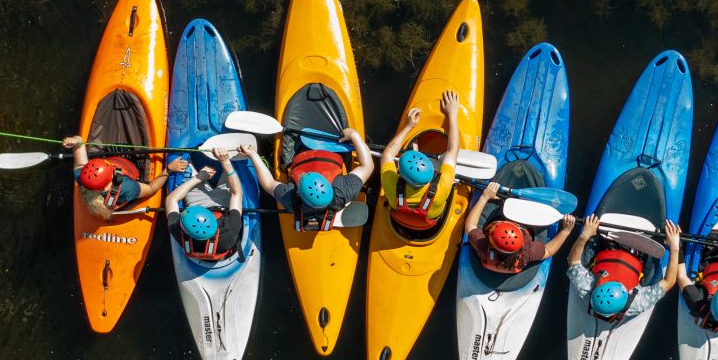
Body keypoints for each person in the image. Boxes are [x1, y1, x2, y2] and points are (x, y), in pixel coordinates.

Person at [243, 127, 373, 231]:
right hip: (333, 148)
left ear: (298, 191)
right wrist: (354, 135)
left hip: (302, 148)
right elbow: (368, 165)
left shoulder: (290, 197)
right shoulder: (343, 191)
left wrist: (254, 155)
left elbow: (268, 183)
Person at [565, 215, 682, 321]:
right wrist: (674, 247)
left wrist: (584, 236)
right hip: (637, 252)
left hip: (609, 246)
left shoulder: (586, 288)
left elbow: (573, 261)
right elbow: (669, 282)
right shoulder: (637, 303)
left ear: (598, 287)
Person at [380, 91, 463, 236]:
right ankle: (417, 150)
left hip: (401, 218)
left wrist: (408, 126)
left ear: (400, 172)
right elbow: (452, 151)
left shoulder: (390, 184)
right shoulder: (442, 188)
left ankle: (415, 149)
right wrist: (452, 115)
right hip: (429, 224)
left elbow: (387, 154)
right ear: (432, 173)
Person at [462, 181, 576, 274]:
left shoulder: (483, 245)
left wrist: (484, 197)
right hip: (524, 227)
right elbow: (548, 250)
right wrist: (565, 231)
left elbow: (470, 225)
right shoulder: (525, 253)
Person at [65, 135, 185, 220]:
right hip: (130, 167)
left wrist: (75, 141)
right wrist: (169, 169)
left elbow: (79, 143)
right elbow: (151, 188)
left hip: (104, 204)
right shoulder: (126, 188)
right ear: (111, 178)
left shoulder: (82, 177)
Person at [164, 147, 245, 261]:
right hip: (223, 205)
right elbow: (236, 194)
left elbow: (171, 200)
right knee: (234, 165)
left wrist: (198, 178)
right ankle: (228, 157)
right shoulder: (229, 231)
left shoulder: (178, 229)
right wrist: (225, 162)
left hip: (196, 203)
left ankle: (191, 158)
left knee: (179, 160)